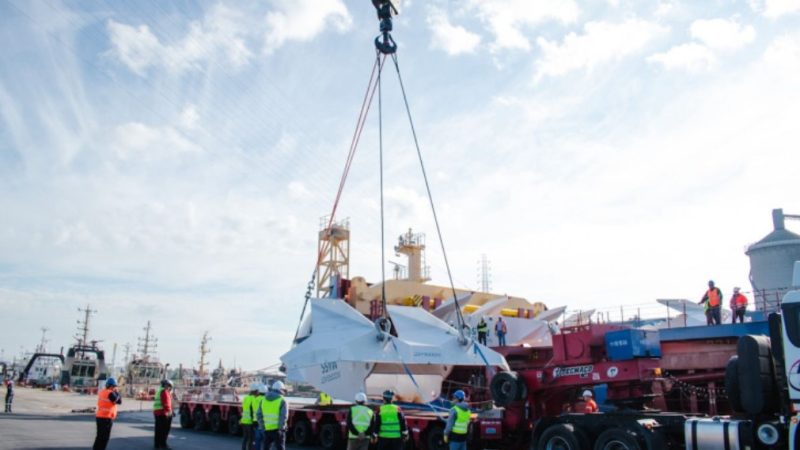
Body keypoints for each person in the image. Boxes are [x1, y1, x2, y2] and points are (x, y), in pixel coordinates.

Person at [257, 381, 288, 450]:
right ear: (281, 390)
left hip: (267, 430)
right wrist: (280, 428)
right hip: (278, 430)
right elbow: (283, 416)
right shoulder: (282, 400)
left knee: (266, 448)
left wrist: (263, 427)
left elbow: (259, 415)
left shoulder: (263, 400)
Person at [93, 377, 122, 450]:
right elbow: (119, 401)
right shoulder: (111, 393)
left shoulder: (102, 392)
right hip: (106, 418)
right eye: (115, 386)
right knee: (104, 438)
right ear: (112, 386)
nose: (115, 388)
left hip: (99, 416)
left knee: (99, 436)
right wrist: (117, 392)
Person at [153, 379, 174, 449]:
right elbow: (166, 403)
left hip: (157, 412)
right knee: (164, 430)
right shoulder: (165, 391)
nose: (169, 388)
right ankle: (163, 445)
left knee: (158, 430)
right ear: (167, 385)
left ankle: (157, 444)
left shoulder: (159, 390)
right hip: (164, 413)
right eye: (169, 386)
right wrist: (170, 412)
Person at [240, 383, 259, 450]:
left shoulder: (246, 398)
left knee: (245, 438)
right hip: (250, 422)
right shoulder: (253, 399)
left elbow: (243, 409)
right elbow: (253, 410)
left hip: (244, 421)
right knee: (251, 439)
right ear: (256, 391)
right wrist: (254, 421)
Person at [253, 384, 267, 450]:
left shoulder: (255, 399)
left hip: (255, 421)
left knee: (257, 439)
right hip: (263, 421)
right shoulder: (266, 400)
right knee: (266, 440)